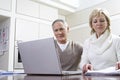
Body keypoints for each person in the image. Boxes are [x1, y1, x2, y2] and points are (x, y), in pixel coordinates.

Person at [80, 8, 120, 73]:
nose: (98, 24)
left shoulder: (117, 40)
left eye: (102, 20)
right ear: (92, 25)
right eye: (95, 21)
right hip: (93, 76)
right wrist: (85, 66)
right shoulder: (87, 42)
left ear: (107, 22)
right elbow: (83, 63)